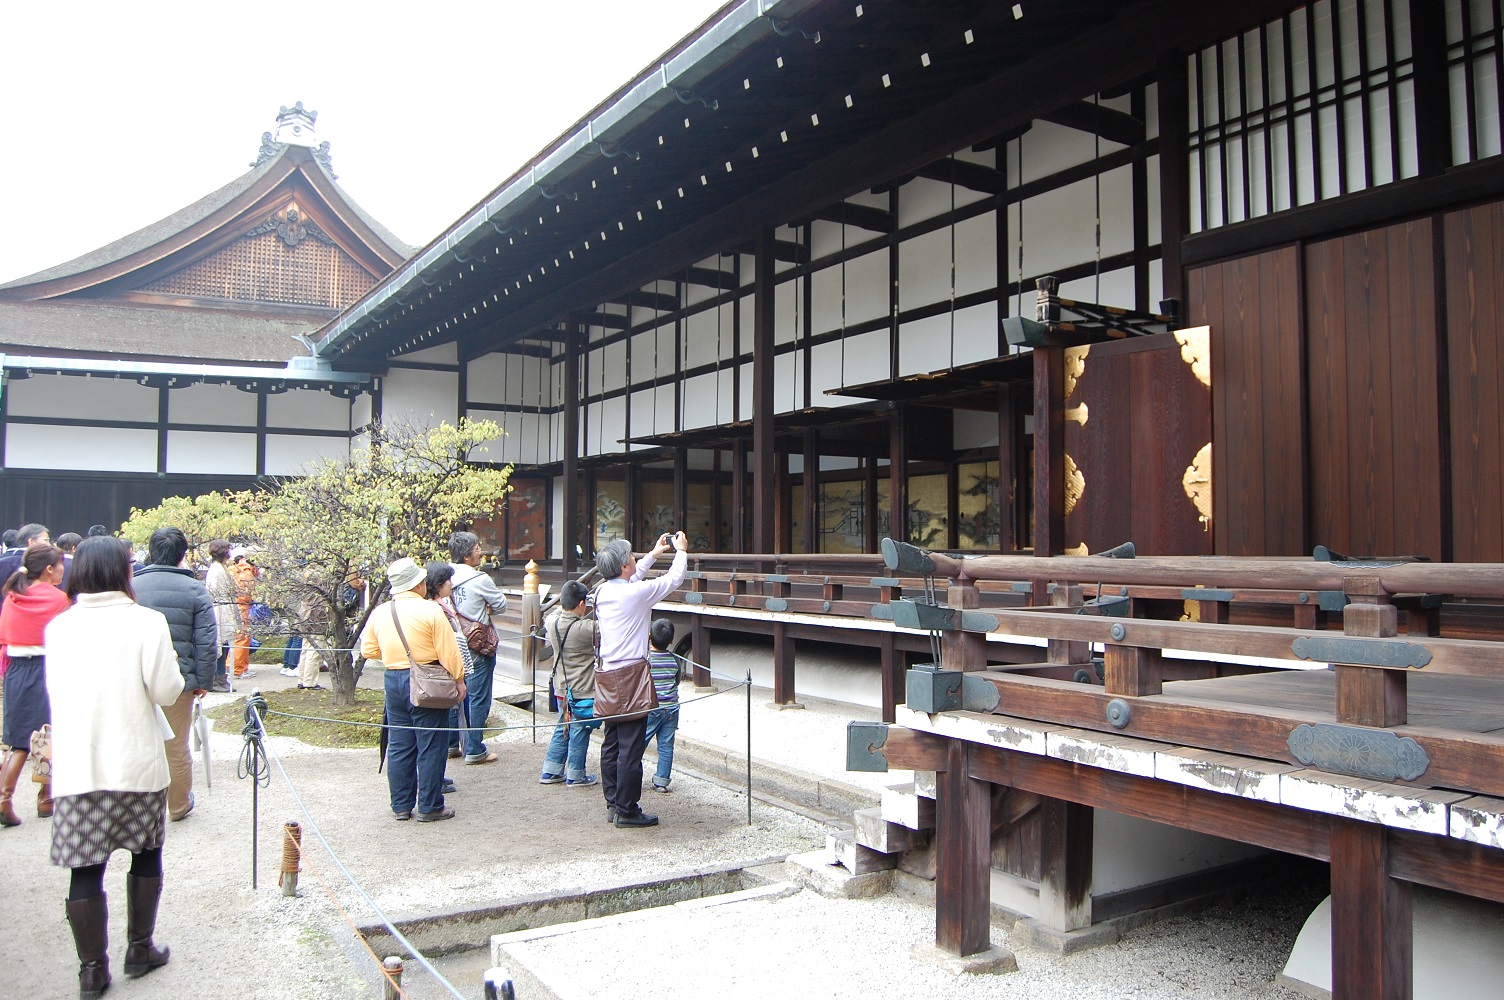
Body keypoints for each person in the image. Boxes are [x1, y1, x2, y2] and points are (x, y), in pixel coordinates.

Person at [46, 536, 183, 996]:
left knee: (85, 869)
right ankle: (139, 949)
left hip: (79, 766)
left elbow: (56, 693)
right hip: (136, 761)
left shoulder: (60, 627)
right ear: (125, 571)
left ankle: (92, 971)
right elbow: (166, 690)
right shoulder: (146, 621)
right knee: (145, 854)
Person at [593, 530, 688, 828]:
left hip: (607, 674)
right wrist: (681, 551)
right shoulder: (634, 594)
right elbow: (674, 579)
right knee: (631, 748)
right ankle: (627, 809)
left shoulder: (603, 591)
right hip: (631, 677)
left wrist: (655, 553)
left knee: (611, 742)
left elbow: (632, 578)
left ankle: (613, 802)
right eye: (631, 556)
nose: (635, 558)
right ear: (624, 565)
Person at [360, 557, 465, 822]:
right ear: (418, 584)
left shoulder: (381, 611)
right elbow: (449, 653)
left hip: (393, 678)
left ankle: (401, 805)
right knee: (431, 744)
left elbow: (367, 650)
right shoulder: (431, 610)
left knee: (399, 744)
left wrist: (392, 655)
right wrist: (459, 680)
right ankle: (429, 806)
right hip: (427, 678)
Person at [132, 527, 216, 823]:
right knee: (176, 745)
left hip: (135, 677)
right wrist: (203, 681)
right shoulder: (195, 590)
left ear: (151, 551)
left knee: (137, 740)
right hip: (178, 679)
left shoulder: (131, 586)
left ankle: (139, 807)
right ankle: (178, 805)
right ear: (182, 554)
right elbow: (206, 641)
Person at [0, 542, 68, 826]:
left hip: (16, 671)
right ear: (50, 569)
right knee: (48, 735)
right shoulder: (60, 600)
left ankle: (4, 798)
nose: (63, 569)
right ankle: (45, 798)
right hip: (46, 669)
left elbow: (4, 641)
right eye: (60, 564)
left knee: (18, 741)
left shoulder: (13, 597)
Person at [448, 531, 506, 766]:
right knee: (478, 697)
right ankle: (474, 748)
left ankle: (451, 743)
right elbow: (501, 605)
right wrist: (487, 608)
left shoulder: (443, 576)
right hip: (476, 644)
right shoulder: (479, 579)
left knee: (453, 694)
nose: (480, 552)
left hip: (450, 643)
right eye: (476, 549)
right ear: (466, 555)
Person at [539, 580, 600, 787]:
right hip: (582, 688)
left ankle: (551, 770)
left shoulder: (552, 622)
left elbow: (554, 613)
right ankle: (576, 774)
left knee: (563, 726)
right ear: (581, 604)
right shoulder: (585, 628)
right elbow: (610, 627)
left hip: (561, 687)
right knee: (580, 729)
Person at [424, 562, 473, 774]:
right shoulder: (435, 610)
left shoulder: (443, 605)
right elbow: (447, 646)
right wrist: (458, 677)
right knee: (440, 724)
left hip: (442, 671)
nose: (451, 584)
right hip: (441, 672)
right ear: (439, 584)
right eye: (448, 581)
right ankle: (436, 777)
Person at [643, 618, 681, 794]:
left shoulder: (646, 659)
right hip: (671, 707)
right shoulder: (675, 659)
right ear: (671, 641)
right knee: (666, 746)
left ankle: (631, 773)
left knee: (639, 742)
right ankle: (661, 781)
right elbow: (677, 681)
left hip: (651, 708)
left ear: (649, 636)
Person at [203, 540, 237, 692]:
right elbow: (216, 595)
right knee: (220, 645)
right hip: (219, 611)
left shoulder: (221, 568)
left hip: (224, 609)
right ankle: (217, 678)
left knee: (224, 645)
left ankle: (221, 677)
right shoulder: (217, 570)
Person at [0, 523, 50, 603]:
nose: (49, 544)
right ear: (31, 541)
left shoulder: (3, 561)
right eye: (46, 540)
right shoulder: (40, 564)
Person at [229, 549, 259, 679]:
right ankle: (237, 669)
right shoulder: (246, 573)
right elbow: (245, 594)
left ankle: (240, 667)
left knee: (243, 638)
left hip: (240, 606)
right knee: (242, 638)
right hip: (242, 607)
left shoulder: (239, 569)